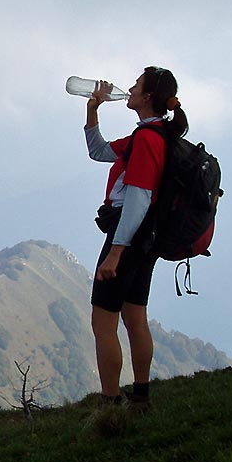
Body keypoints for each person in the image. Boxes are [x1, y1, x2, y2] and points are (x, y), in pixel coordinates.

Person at [83, 66, 188, 412]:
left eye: (136, 86)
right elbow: (98, 152)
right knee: (135, 317)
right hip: (147, 240)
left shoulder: (146, 140)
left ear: (146, 98)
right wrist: (92, 109)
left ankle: (111, 404)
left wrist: (115, 252)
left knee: (103, 321)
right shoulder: (154, 134)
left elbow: (139, 198)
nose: (128, 89)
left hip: (127, 236)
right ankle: (140, 397)